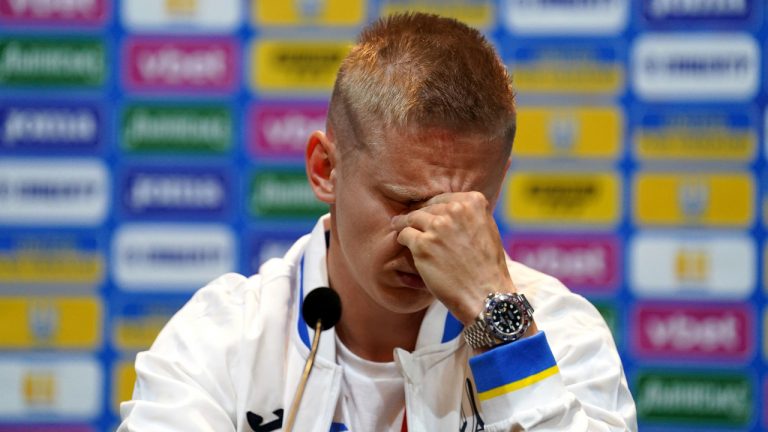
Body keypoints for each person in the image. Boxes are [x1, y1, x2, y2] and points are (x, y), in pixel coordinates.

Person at [118, 12, 637, 432]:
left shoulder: (561, 331)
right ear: (326, 169)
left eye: (463, 210)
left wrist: (500, 327)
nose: (427, 236)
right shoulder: (222, 339)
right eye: (405, 202)